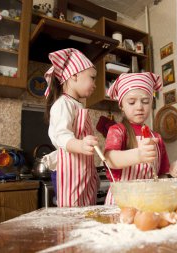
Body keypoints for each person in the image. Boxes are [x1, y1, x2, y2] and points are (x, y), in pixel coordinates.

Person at [103, 72, 170, 205]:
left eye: (145, 101)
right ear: (121, 105)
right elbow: (109, 159)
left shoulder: (156, 137)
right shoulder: (118, 131)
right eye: (132, 102)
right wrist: (138, 155)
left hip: (148, 201)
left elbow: (162, 173)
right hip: (121, 202)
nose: (139, 107)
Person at [44, 48, 99, 207]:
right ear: (74, 75)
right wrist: (81, 145)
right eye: (92, 78)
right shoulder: (63, 104)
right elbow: (60, 136)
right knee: (72, 220)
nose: (95, 84)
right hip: (71, 175)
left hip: (85, 173)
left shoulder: (77, 105)